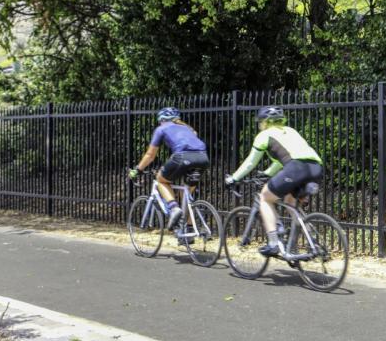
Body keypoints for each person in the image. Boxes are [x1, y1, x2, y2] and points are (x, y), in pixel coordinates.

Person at [224, 106, 323, 257]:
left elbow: (251, 162)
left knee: (265, 198)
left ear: (264, 122)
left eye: (260, 122)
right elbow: (281, 160)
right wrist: (267, 173)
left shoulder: (264, 135)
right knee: (291, 202)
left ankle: (273, 242)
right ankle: (313, 243)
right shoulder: (290, 131)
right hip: (316, 167)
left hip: (296, 168)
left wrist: (234, 178)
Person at [128, 107, 210, 230]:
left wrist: (137, 170)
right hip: (203, 158)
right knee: (185, 194)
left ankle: (173, 208)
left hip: (182, 157)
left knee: (161, 180)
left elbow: (150, 155)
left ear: (162, 120)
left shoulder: (161, 129)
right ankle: (189, 229)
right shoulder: (188, 128)